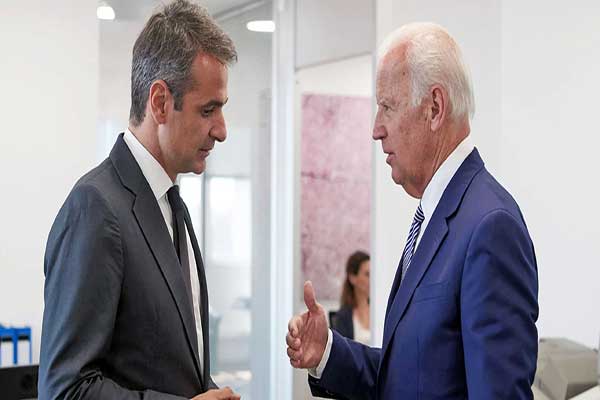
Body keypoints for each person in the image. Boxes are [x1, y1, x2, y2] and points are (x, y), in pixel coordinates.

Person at [286, 22, 538, 399]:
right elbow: (409, 379)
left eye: (387, 106)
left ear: (434, 108)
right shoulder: (436, 213)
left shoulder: (490, 226)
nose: (376, 129)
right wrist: (328, 352)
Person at [39, 1, 241, 399]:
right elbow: (65, 390)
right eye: (208, 110)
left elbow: (177, 370)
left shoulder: (172, 205)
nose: (221, 130)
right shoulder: (95, 208)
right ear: (160, 102)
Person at [331, 251, 370, 344]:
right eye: (367, 274)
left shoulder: (381, 311)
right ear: (353, 278)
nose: (372, 279)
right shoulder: (343, 317)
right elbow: (341, 350)